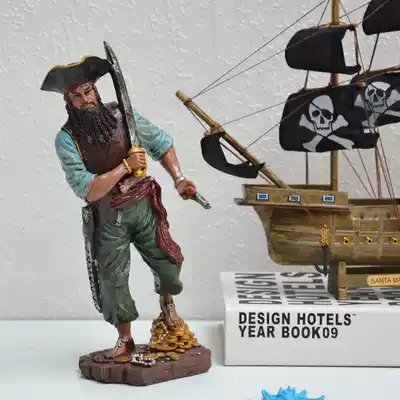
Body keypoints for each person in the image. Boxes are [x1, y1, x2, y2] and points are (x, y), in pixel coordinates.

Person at [41, 55, 197, 359]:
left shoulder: (124, 117)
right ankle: (125, 338)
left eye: (88, 91)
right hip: (108, 215)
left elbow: (161, 143)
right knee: (113, 279)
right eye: (77, 96)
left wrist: (179, 179)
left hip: (143, 207)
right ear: (68, 101)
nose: (85, 100)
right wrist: (124, 166)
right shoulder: (67, 139)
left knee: (168, 261)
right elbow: (88, 189)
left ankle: (168, 306)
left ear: (95, 89)